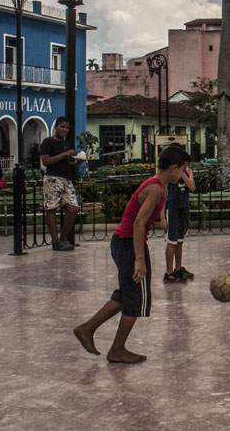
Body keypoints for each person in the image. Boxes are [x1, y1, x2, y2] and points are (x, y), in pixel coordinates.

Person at [73, 145, 190, 364]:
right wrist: (139, 259)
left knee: (126, 294)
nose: (183, 174)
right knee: (136, 298)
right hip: (129, 243)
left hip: (123, 242)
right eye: (183, 169)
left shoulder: (157, 186)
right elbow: (138, 223)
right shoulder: (156, 189)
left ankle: (86, 329)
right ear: (174, 168)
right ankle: (117, 349)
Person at [40, 117, 83, 251]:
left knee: (73, 208)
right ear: (56, 127)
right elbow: (46, 161)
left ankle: (63, 237)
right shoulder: (48, 142)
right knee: (51, 208)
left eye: (67, 127)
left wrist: (78, 162)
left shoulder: (65, 144)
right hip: (52, 178)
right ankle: (55, 240)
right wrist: (65, 154)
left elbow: (66, 164)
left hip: (66, 179)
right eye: (62, 127)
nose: (64, 130)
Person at [160, 162, 196, 283]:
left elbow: (192, 187)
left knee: (180, 241)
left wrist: (185, 173)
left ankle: (179, 268)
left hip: (183, 209)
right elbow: (162, 195)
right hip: (173, 208)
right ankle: (169, 272)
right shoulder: (170, 174)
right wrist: (162, 217)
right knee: (172, 241)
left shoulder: (187, 172)